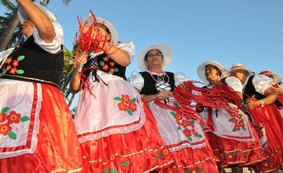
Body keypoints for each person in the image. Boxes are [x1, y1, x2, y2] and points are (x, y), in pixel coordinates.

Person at [70, 16, 174, 172]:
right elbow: (75, 87)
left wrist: (99, 43)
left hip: (114, 94)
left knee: (123, 134)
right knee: (98, 137)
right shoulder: (85, 56)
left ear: (108, 36)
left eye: (98, 30)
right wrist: (78, 67)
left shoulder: (120, 47)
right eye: (92, 30)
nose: (94, 32)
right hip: (92, 101)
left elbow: (124, 60)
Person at [0, 1, 83, 172]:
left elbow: (46, 29)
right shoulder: (12, 52)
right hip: (6, 107)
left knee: (30, 162)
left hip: (32, 107)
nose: (26, 21)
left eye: (31, 18)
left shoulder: (50, 44)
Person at [129, 45, 219, 173]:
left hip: (178, 114)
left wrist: (184, 94)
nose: (155, 56)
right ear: (146, 61)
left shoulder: (175, 76)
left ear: (162, 58)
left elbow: (187, 96)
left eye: (157, 54)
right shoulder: (140, 77)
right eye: (150, 55)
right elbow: (135, 100)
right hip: (155, 115)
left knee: (188, 141)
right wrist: (156, 96)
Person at [193, 61, 265, 173]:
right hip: (211, 124)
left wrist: (217, 100)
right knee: (216, 158)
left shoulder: (228, 81)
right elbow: (198, 107)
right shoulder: (203, 88)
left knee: (235, 156)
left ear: (218, 71)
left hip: (228, 120)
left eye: (210, 69)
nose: (207, 72)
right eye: (206, 70)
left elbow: (238, 97)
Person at [229, 63, 283, 173]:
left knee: (272, 156)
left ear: (244, 72)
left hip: (268, 122)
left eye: (235, 72)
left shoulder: (254, 80)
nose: (233, 76)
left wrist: (258, 103)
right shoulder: (240, 89)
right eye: (231, 74)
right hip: (256, 125)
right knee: (266, 160)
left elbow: (275, 95)